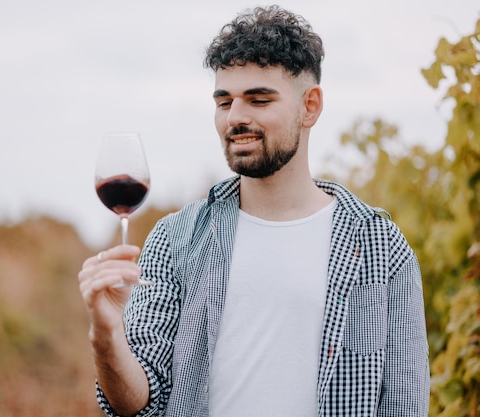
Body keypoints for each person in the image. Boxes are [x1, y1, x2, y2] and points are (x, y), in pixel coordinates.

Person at [78, 5, 430, 417]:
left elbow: (405, 405)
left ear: (310, 106)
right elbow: (138, 405)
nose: (236, 117)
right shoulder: (176, 240)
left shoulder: (381, 248)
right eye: (224, 101)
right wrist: (106, 336)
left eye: (258, 99)